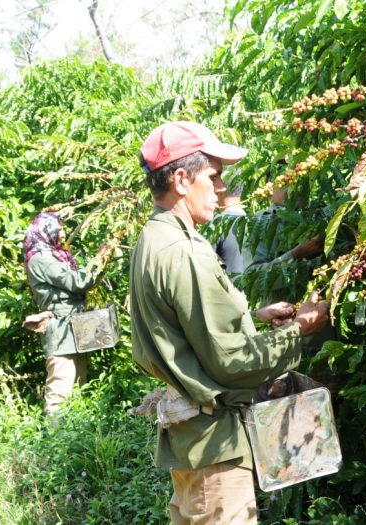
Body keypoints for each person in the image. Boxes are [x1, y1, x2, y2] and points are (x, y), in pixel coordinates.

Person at [130, 121, 329, 524]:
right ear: (182, 180)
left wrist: (250, 317)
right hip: (214, 450)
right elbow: (233, 362)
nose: (222, 188)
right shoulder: (186, 252)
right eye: (214, 175)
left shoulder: (153, 239)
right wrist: (300, 329)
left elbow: (186, 328)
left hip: (195, 444)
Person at [23, 211, 108, 415]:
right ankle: (54, 441)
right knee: (60, 389)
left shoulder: (55, 254)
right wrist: (98, 260)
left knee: (79, 385)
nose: (63, 233)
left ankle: (76, 441)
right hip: (60, 330)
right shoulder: (41, 259)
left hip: (73, 328)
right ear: (46, 231)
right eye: (58, 229)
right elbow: (78, 282)